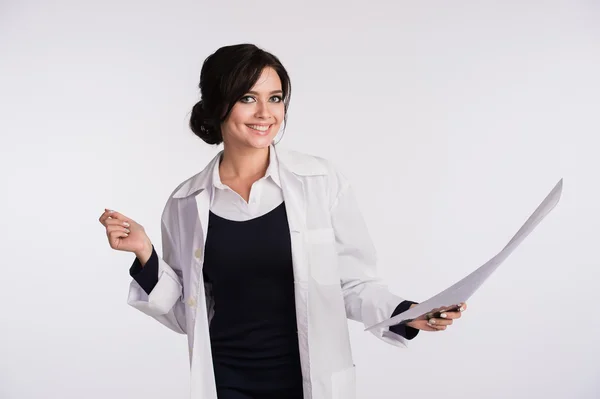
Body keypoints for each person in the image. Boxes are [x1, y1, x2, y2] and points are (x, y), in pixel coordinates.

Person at [98, 43, 467, 399]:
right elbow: (185, 315)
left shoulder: (320, 182)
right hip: (226, 382)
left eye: (274, 98)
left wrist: (409, 313)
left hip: (308, 381)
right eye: (248, 98)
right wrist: (145, 253)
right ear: (217, 106)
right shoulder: (185, 202)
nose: (265, 113)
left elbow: (353, 284)